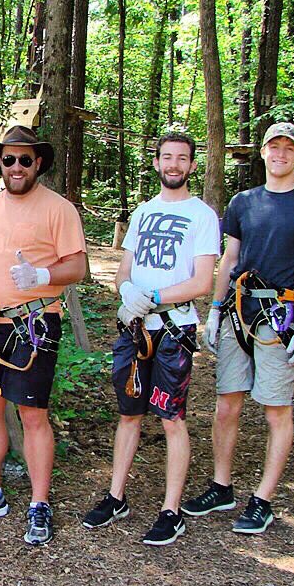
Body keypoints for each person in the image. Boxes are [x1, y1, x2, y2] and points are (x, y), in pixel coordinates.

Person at [183, 122, 294, 534]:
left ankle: (263, 499)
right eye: (274, 147)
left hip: (280, 318)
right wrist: (214, 308)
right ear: (264, 152)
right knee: (226, 404)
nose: (281, 154)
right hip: (237, 312)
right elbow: (230, 259)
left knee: (275, 409)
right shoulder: (243, 201)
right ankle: (221, 486)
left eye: (289, 148)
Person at [0, 124, 87, 546]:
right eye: (7, 159)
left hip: (35, 321)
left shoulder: (59, 209)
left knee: (32, 413)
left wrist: (43, 275)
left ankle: (39, 503)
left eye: (24, 159)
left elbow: (78, 267)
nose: (15, 166)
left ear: (38, 163)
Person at [81, 132, 219, 546]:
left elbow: (201, 281)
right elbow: (124, 270)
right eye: (167, 158)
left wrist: (154, 298)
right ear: (156, 163)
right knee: (128, 413)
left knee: (171, 418)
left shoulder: (203, 216)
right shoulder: (142, 213)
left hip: (174, 329)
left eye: (182, 158)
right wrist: (127, 293)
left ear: (192, 165)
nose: (174, 165)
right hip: (135, 328)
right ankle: (115, 496)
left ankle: (171, 510)